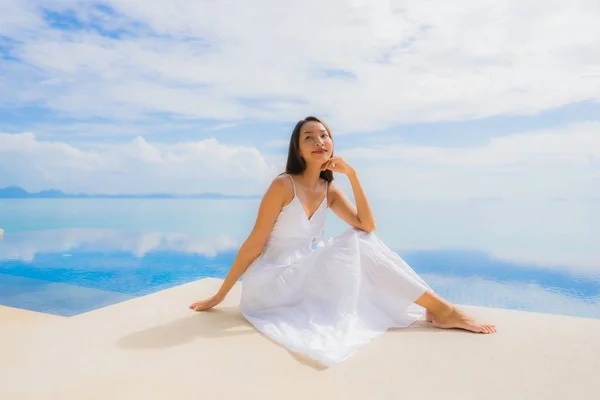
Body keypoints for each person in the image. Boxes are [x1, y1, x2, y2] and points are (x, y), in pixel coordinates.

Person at [190, 116, 496, 366]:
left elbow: (367, 225)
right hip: (272, 281)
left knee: (360, 237)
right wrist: (220, 295)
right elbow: (254, 244)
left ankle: (439, 308)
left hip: (301, 273)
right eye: (308, 137)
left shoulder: (329, 189)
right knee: (356, 243)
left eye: (324, 135)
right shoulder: (283, 185)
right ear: (297, 149)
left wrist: (352, 175)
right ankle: (442, 309)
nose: (318, 142)